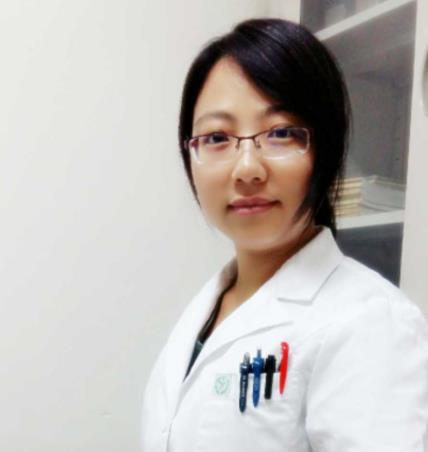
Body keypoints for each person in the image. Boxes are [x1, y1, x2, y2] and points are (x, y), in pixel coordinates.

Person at [141, 18, 428, 452]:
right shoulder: (205, 310)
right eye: (217, 137)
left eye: (280, 133)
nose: (247, 169)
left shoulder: (371, 323)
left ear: (326, 148)